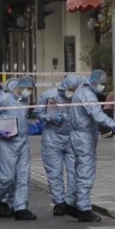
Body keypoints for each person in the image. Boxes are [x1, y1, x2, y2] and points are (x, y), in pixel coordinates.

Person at [67, 69, 115, 222]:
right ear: (94, 82)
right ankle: (84, 209)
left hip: (81, 135)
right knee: (86, 171)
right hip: (83, 136)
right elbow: (97, 114)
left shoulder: (81, 91)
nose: (102, 87)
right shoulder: (87, 94)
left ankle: (72, 203)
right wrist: (114, 126)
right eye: (101, 84)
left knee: (79, 170)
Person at [0, 76, 37, 221]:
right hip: (7, 142)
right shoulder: (4, 98)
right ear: (19, 87)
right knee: (7, 177)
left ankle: (20, 208)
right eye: (28, 88)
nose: (29, 92)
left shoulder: (24, 100)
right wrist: (0, 131)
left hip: (23, 142)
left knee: (23, 176)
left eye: (31, 89)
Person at [34, 74, 81, 216]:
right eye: (71, 89)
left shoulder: (80, 97)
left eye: (75, 89)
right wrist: (50, 117)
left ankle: (71, 202)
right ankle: (59, 203)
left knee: (76, 172)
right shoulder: (49, 95)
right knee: (55, 173)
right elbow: (38, 112)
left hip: (73, 137)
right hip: (52, 137)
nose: (72, 91)